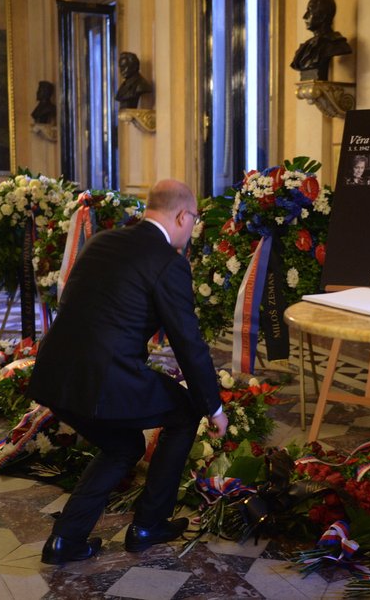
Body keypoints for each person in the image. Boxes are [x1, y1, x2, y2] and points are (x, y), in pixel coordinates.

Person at [27, 179, 228, 565]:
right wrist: (214, 407)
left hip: (54, 373)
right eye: (193, 221)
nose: (191, 231)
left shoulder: (103, 241)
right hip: (104, 377)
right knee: (185, 413)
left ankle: (66, 540)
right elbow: (188, 342)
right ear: (183, 215)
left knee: (124, 446)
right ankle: (149, 524)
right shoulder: (169, 262)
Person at [289, 0, 352, 81]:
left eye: (309, 11)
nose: (304, 16)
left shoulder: (336, 44)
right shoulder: (305, 47)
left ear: (323, 16)